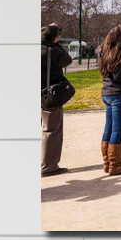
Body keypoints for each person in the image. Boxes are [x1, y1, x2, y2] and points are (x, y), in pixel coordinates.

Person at [95, 24, 121, 175]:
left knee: (109, 127)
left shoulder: (102, 51)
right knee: (117, 130)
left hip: (106, 93)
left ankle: (107, 162)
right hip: (118, 94)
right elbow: (119, 76)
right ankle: (115, 165)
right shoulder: (120, 53)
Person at [39, 23, 73, 175]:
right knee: (52, 130)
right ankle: (49, 166)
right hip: (50, 94)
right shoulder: (54, 51)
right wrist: (55, 44)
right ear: (54, 38)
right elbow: (68, 60)